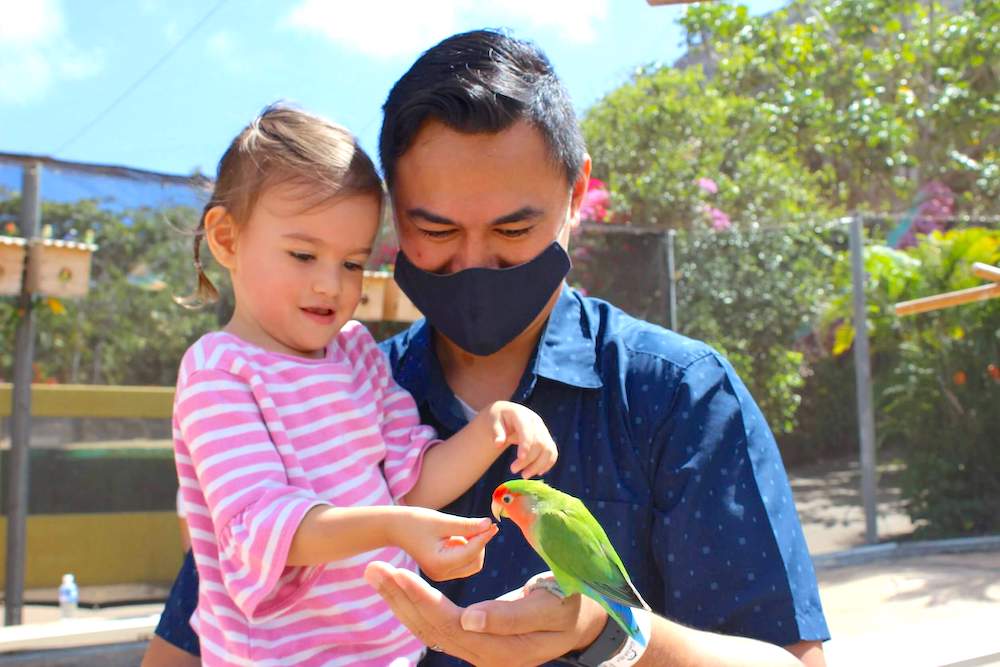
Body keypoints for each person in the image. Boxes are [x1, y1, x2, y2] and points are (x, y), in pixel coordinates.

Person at [146, 30, 830, 667]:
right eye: (435, 230)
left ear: (576, 194)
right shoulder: (325, 391)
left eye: (512, 227)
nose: (474, 263)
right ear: (394, 219)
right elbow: (195, 632)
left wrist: (607, 633)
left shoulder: (676, 394)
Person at [146, 103, 558, 667]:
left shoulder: (357, 354)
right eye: (303, 254)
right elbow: (263, 526)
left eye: (352, 263)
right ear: (225, 239)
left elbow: (414, 478)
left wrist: (494, 426)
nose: (329, 284)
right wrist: (394, 527)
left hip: (387, 651)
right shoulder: (219, 372)